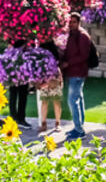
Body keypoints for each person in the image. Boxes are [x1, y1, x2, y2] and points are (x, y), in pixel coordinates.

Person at [60, 13, 96, 142]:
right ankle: (79, 127)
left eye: (74, 22)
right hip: (72, 72)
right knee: (78, 99)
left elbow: (83, 56)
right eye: (70, 22)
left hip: (78, 73)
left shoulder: (82, 36)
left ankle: (79, 130)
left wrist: (68, 63)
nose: (71, 24)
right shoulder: (71, 35)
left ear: (79, 22)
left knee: (72, 100)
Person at [37, 39, 64, 132]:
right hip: (46, 79)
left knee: (54, 102)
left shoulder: (50, 49)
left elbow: (57, 65)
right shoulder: (42, 49)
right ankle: (46, 124)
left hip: (53, 79)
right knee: (47, 102)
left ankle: (56, 123)